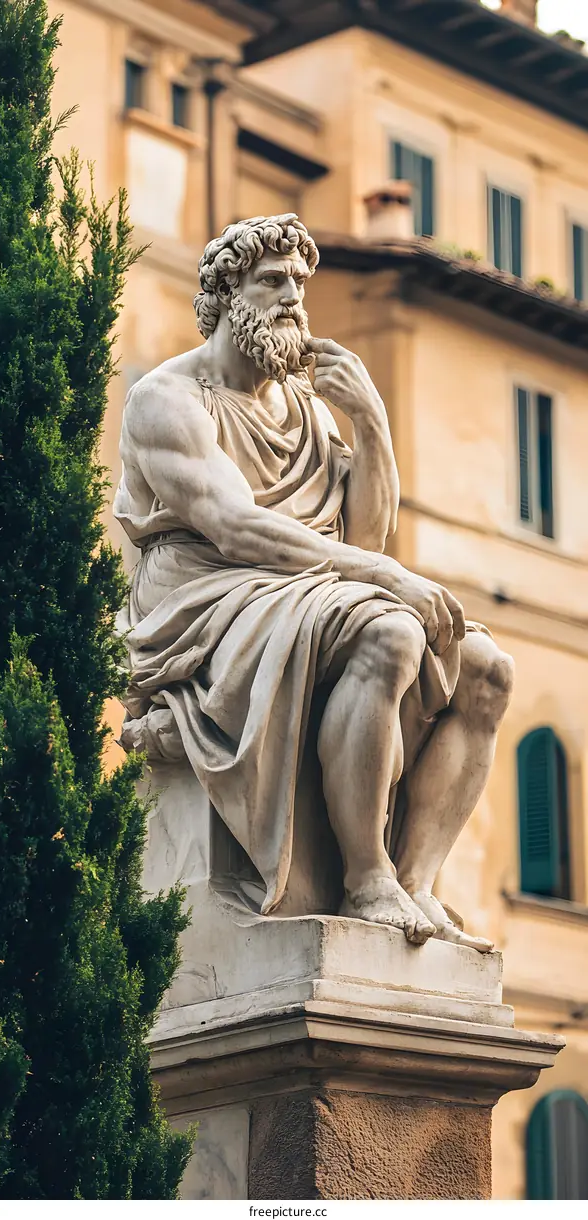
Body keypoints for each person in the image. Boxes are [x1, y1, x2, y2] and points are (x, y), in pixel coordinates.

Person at [114, 214, 513, 952]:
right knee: (389, 631)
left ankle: (416, 880)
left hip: (303, 584)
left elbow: (363, 539)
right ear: (224, 296)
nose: (292, 299)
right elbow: (235, 527)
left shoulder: (307, 410)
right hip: (206, 597)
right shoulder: (167, 399)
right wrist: (388, 576)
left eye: (299, 284)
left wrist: (371, 423)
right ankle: (366, 878)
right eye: (271, 281)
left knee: (487, 668)